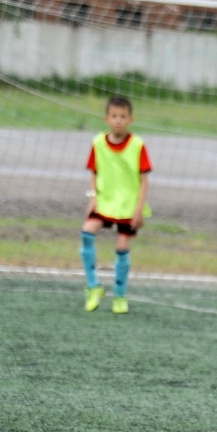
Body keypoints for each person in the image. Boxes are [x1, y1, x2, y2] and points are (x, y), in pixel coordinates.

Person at [79, 96, 151, 314]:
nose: (118, 121)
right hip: (104, 202)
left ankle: (119, 296)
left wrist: (139, 209)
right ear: (106, 118)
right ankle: (93, 287)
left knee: (122, 247)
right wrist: (92, 197)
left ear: (131, 119)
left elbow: (145, 180)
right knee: (86, 233)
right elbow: (94, 173)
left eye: (123, 117)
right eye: (114, 116)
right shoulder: (98, 142)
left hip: (128, 206)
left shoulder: (137, 145)